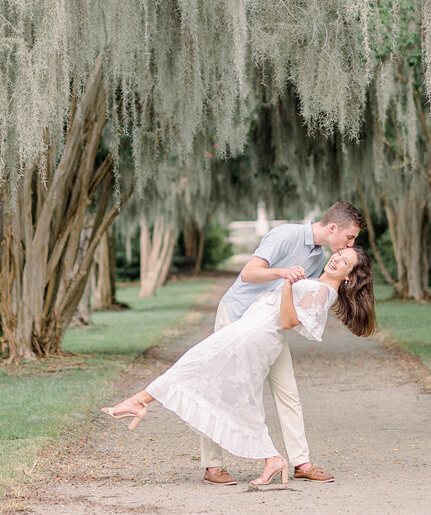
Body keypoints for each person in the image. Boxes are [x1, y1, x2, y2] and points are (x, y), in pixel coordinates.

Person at [101, 244, 377, 486]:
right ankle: (271, 458)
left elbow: (287, 321)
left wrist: (288, 284)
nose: (336, 259)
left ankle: (139, 401)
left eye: (344, 261)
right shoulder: (319, 285)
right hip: (250, 331)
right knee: (238, 394)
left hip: (254, 336)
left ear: (349, 276)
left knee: (199, 367)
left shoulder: (323, 292)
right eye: (339, 253)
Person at [197, 202, 364, 485]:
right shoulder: (285, 235)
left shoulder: (318, 257)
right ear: (333, 228)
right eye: (349, 237)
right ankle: (213, 466)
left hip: (269, 327)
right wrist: (283, 272)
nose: (349, 244)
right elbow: (249, 274)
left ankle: (302, 463)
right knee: (222, 388)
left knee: (288, 392)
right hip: (237, 316)